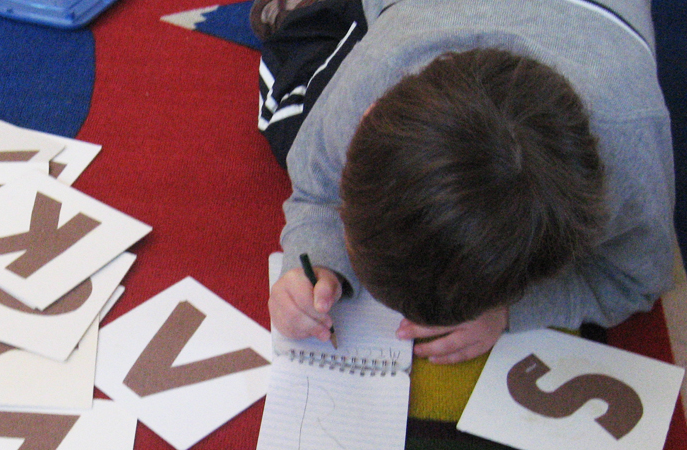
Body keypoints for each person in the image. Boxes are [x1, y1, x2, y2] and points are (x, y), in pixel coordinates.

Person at [254, 0, 675, 364]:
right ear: (370, 113)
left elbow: (636, 278)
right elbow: (314, 186)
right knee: (294, 131)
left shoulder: (630, 145)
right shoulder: (377, 69)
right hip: (414, 22)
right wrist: (312, 257)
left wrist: (512, 313)